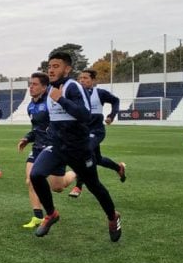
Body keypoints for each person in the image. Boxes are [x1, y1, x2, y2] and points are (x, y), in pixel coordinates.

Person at [29, 51, 121, 242]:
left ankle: (113, 216)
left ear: (67, 68)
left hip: (78, 148)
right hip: (57, 146)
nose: (51, 70)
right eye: (49, 66)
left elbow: (85, 115)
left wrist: (61, 99)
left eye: (56, 66)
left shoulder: (72, 87)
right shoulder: (51, 91)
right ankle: (52, 214)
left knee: (94, 186)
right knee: (36, 175)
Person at [17, 72, 74, 229]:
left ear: (44, 86)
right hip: (37, 148)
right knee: (30, 180)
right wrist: (27, 138)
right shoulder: (31, 105)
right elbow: (36, 128)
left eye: (35, 84)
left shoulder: (51, 101)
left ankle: (76, 173)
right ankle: (38, 217)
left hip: (53, 147)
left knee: (58, 187)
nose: (31, 87)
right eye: (30, 84)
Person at [68, 69, 127, 198]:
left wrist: (111, 115)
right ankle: (118, 168)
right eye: (80, 78)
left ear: (93, 81)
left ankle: (78, 186)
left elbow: (115, 100)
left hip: (96, 131)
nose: (82, 80)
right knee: (97, 159)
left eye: (85, 78)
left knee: (85, 151)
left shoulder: (99, 93)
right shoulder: (76, 95)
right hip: (82, 132)